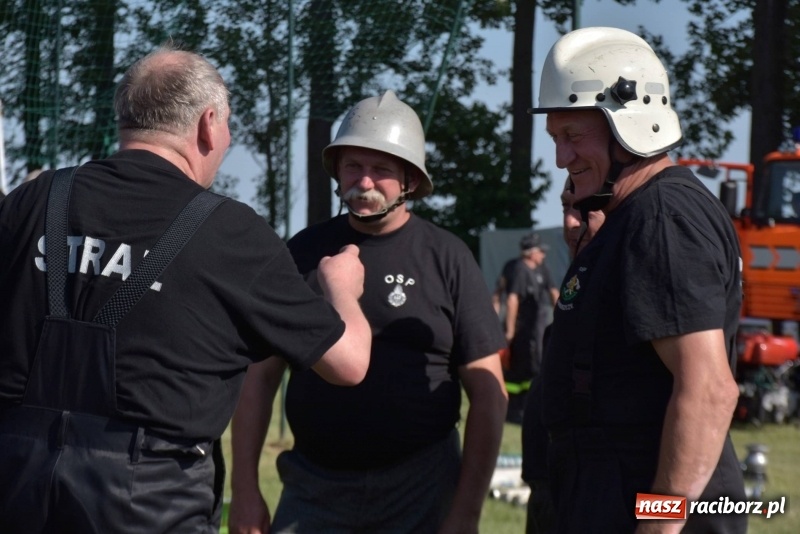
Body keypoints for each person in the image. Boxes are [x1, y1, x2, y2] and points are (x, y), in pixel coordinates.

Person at [0, 45, 372, 534]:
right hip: (148, 500)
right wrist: (341, 287)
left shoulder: (34, 199)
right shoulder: (232, 233)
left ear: (126, 117)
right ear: (207, 123)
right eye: (228, 126)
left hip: (14, 483)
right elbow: (349, 363)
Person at [228, 90, 508, 534]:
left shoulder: (447, 257)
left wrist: (465, 512)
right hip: (313, 488)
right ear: (336, 170)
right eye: (353, 166)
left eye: (381, 170)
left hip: (423, 486)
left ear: (410, 181)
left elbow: (489, 394)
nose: (364, 182)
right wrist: (244, 491)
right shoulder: (304, 251)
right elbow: (259, 377)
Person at [528, 27, 746, 533]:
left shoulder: (662, 216)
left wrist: (659, 523)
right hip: (604, 492)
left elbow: (709, 388)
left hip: (638, 500)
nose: (562, 158)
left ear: (631, 124)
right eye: (556, 139)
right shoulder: (634, 217)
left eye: (573, 136)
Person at [521, 176, 606, 534]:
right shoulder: (580, 279)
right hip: (551, 489)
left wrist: (662, 515)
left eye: (585, 209)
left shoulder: (629, 283)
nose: (571, 222)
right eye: (566, 207)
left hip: (599, 497)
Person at [503, 233, 557, 424]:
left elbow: (553, 291)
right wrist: (510, 332)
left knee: (535, 366)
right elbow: (511, 300)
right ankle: (515, 411)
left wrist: (564, 317)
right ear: (531, 253)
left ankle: (528, 408)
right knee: (523, 368)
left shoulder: (542, 268)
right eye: (540, 251)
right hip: (523, 328)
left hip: (538, 326)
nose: (543, 254)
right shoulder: (519, 269)